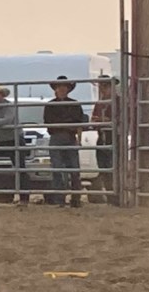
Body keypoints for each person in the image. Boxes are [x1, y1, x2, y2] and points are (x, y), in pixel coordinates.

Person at [43, 75, 86, 207]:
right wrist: (69, 126)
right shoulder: (51, 105)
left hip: (68, 137)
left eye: (64, 87)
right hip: (58, 137)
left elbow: (79, 123)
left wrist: (78, 137)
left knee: (74, 169)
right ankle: (60, 198)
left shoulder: (74, 104)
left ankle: (75, 198)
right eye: (59, 86)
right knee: (57, 169)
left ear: (68, 89)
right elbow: (49, 124)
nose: (62, 89)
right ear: (55, 89)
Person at [89, 75, 119, 205]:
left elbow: (122, 120)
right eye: (101, 86)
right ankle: (111, 195)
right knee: (104, 168)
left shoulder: (119, 101)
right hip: (102, 137)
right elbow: (94, 121)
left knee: (114, 168)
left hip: (114, 138)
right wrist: (101, 122)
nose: (102, 89)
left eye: (105, 86)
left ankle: (116, 195)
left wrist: (106, 121)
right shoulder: (99, 104)